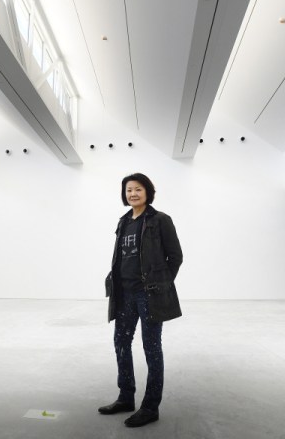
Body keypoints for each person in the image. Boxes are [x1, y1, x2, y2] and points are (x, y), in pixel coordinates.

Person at [98, 173, 183, 428]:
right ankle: (126, 397)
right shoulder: (124, 221)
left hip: (148, 295)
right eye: (128, 190)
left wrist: (160, 284)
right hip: (123, 293)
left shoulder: (160, 220)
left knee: (151, 348)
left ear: (148, 192)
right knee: (121, 343)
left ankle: (150, 407)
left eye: (138, 189)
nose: (132, 193)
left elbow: (175, 256)